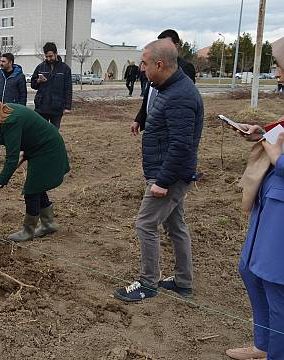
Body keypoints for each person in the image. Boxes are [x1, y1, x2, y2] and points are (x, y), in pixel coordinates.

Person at [113, 39, 204, 303]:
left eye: (144, 63)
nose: (141, 68)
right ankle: (183, 281)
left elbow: (182, 144)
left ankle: (147, 283)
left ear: (160, 64)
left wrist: (162, 181)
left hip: (170, 174)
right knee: (175, 226)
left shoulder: (180, 96)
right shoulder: (169, 88)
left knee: (145, 223)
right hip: (169, 171)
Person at [223, 121, 284, 360]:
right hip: (269, 199)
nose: (277, 79)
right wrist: (263, 134)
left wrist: (278, 158)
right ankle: (264, 345)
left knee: (275, 283)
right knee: (249, 270)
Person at [0, 95, 69, 242]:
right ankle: (48, 224)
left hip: (48, 149)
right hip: (37, 148)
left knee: (31, 190)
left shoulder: (11, 119)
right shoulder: (4, 115)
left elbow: (11, 158)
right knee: (38, 186)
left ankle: (28, 231)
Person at [131, 29, 197, 135]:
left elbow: (182, 102)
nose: (143, 69)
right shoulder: (155, 66)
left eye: (164, 45)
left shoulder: (184, 68)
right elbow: (149, 96)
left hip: (166, 127)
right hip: (153, 124)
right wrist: (139, 119)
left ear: (175, 46)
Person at [0, 52, 27, 166]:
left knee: (11, 135)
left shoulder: (19, 76)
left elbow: (23, 95)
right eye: (1, 61)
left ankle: (12, 158)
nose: (1, 63)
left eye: (3, 61)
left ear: (10, 62)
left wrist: (21, 111)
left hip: (11, 110)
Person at [31, 42, 72, 129]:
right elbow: (33, 85)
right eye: (46, 56)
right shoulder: (40, 67)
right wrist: (38, 80)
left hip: (57, 107)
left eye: (51, 56)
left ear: (56, 54)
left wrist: (67, 106)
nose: (49, 58)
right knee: (40, 132)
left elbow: (68, 89)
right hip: (41, 107)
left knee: (54, 133)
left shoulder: (65, 69)